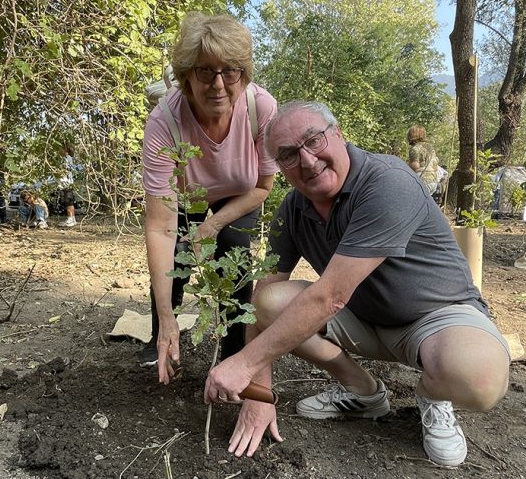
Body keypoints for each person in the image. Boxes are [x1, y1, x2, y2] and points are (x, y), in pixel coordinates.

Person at [204, 101, 510, 465]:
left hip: (436, 318)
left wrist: (241, 365)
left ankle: (433, 394)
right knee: (270, 301)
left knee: (480, 380)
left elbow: (329, 296)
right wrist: (259, 392)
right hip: (360, 317)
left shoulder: (387, 181)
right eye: (288, 155)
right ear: (280, 167)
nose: (306, 160)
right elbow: (260, 302)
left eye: (314, 140)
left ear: (338, 135)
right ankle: (363, 391)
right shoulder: (293, 209)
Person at [139, 13, 278, 376]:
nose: (218, 84)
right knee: (178, 258)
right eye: (205, 71)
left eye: (229, 71)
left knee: (235, 258)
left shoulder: (260, 108)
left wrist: (213, 225)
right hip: (188, 200)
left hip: (240, 198)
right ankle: (164, 336)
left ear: (243, 75)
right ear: (186, 76)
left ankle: (234, 353)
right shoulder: (164, 123)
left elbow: (263, 187)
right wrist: (169, 319)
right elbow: (161, 228)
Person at [406, 125, 440, 195]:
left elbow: (415, 166)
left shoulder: (415, 148)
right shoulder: (430, 147)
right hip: (433, 181)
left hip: (422, 180)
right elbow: (435, 165)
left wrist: (406, 165)